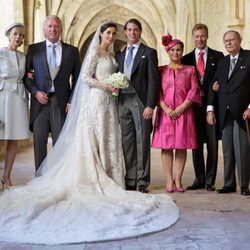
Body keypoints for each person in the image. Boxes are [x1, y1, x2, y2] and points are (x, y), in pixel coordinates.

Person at [0, 21, 179, 244]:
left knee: (109, 139)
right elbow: (84, 77)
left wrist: (114, 87)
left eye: (114, 33)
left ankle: (116, 176)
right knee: (93, 140)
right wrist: (107, 87)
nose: (111, 36)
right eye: (108, 33)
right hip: (96, 100)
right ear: (101, 34)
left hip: (110, 104)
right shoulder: (94, 51)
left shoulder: (116, 53)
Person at [24, 15, 81, 171]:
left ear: (61, 29)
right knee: (39, 143)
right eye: (49, 26)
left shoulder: (72, 51)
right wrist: (35, 93)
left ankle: (58, 179)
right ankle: (40, 179)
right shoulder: (34, 49)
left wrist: (71, 101)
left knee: (61, 144)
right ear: (44, 29)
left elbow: (78, 79)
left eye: (56, 26)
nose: (53, 29)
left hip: (62, 103)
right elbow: (26, 77)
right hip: (39, 103)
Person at [152, 33, 202, 193]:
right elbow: (156, 91)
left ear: (182, 52)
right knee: (166, 147)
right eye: (172, 50)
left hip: (184, 112)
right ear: (168, 52)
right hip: (165, 112)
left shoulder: (190, 70)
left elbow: (194, 90)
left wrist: (181, 108)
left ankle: (178, 179)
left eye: (179, 50)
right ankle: (168, 180)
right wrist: (166, 108)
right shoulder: (161, 71)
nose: (176, 53)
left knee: (181, 146)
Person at [116, 18, 159, 193]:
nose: (132, 33)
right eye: (129, 30)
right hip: (122, 100)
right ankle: (130, 178)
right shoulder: (120, 54)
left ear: (140, 32)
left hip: (140, 100)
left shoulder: (149, 53)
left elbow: (153, 81)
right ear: (125, 32)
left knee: (142, 141)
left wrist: (150, 105)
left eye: (136, 30)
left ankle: (142, 180)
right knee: (127, 141)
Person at [207, 30, 250, 196]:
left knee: (242, 149)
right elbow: (213, 85)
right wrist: (210, 109)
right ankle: (229, 183)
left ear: (240, 40)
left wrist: (249, 108)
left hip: (242, 113)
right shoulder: (222, 62)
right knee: (227, 149)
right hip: (224, 112)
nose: (229, 43)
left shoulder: (248, 57)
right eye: (226, 41)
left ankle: (245, 185)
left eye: (232, 40)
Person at [182, 23, 224, 191]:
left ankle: (209, 181)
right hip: (193, 107)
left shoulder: (218, 56)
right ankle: (199, 178)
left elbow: (222, 77)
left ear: (207, 36)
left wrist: (219, 85)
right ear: (193, 38)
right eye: (197, 36)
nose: (200, 39)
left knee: (212, 144)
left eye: (203, 36)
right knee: (196, 144)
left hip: (212, 107)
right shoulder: (186, 59)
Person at [0, 22, 29, 189]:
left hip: (18, 99)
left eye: (21, 35)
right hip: (2, 98)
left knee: (13, 140)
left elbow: (26, 77)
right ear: (9, 35)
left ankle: (6, 176)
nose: (18, 37)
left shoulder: (24, 57)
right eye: (15, 33)